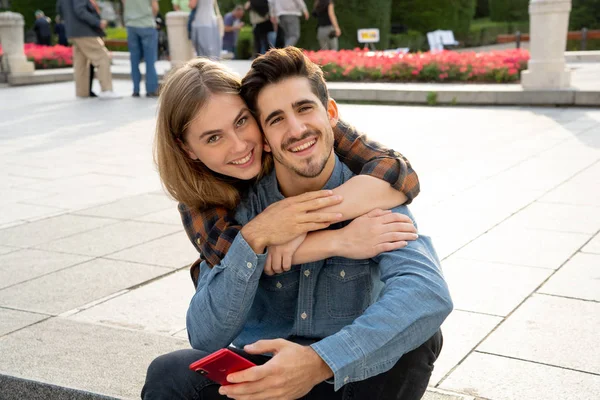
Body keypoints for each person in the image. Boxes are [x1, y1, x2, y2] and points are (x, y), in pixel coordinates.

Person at [142, 49, 451, 399]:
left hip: (346, 376)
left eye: (304, 108)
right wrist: (258, 236)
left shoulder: (373, 191)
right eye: (275, 119)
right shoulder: (231, 205)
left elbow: (427, 293)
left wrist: (318, 361)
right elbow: (203, 335)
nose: (296, 129)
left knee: (418, 335)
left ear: (330, 113)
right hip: (265, 377)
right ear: (267, 136)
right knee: (168, 374)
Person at [56, 0, 121, 99]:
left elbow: (60, 9)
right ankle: (106, 90)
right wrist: (97, 22)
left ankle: (82, 92)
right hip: (85, 31)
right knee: (103, 57)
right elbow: (80, 10)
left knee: (81, 63)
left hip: (73, 31)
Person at [123, 0, 160, 98]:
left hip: (131, 25)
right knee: (150, 60)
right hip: (146, 24)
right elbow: (155, 7)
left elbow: (124, 3)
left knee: (134, 60)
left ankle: (136, 89)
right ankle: (151, 89)